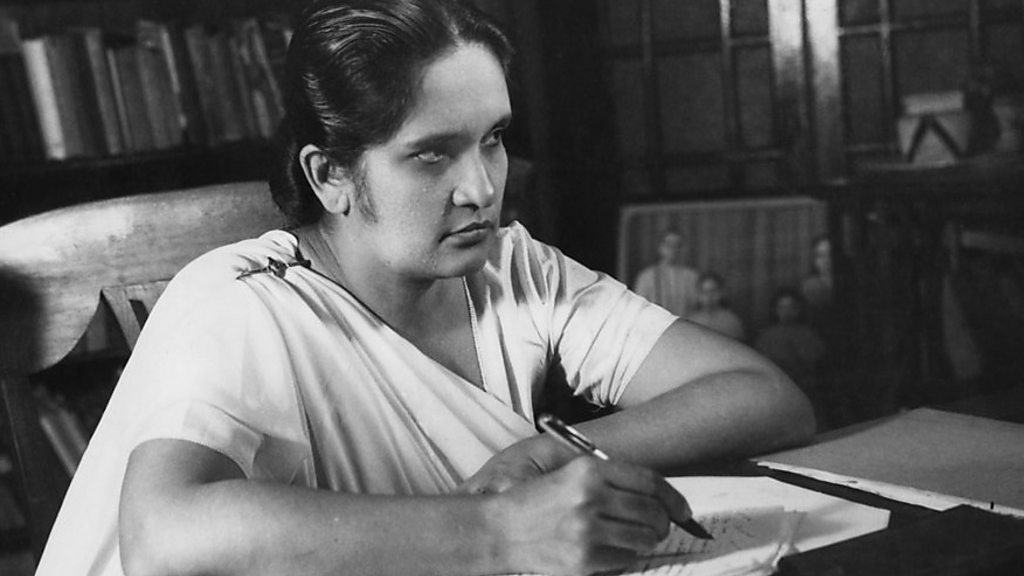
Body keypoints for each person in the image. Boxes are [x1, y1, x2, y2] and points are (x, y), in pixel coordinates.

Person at [35, 2, 814, 575]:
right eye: (433, 154)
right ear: (331, 176)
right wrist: (508, 531)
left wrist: (542, 456)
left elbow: (763, 394)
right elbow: (163, 537)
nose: (482, 188)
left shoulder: (516, 270)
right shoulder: (241, 299)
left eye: (493, 139)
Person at [755, 289, 826, 421]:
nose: (786, 312)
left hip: (805, 390)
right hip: (777, 392)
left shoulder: (808, 334)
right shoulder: (766, 336)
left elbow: (816, 361)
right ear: (775, 310)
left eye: (791, 308)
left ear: (799, 310)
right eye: (781, 307)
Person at [632, 229, 700, 317]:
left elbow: (698, 306)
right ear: (660, 247)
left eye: (678, 245)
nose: (673, 249)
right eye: (669, 244)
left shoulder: (692, 276)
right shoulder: (646, 276)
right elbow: (640, 306)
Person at [685, 272, 747, 342]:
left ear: (721, 293)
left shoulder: (732, 321)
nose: (709, 296)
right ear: (698, 294)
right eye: (704, 292)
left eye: (713, 291)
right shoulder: (691, 321)